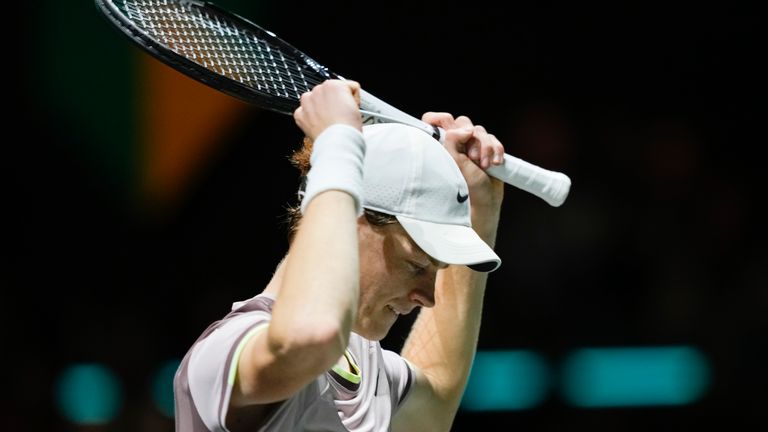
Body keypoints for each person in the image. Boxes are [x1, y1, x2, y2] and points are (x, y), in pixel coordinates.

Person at [173, 79, 506, 431]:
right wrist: (338, 143)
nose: (427, 297)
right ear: (349, 220)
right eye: (415, 265)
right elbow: (311, 337)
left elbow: (436, 398)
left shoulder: (363, 367)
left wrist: (479, 211)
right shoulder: (227, 348)